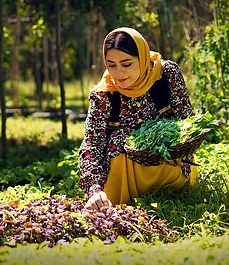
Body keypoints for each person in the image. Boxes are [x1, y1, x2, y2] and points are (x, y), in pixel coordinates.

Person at [78, 27, 198, 210]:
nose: (119, 73)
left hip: (170, 168)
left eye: (126, 64)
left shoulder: (165, 75)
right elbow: (92, 145)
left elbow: (186, 122)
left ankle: (177, 194)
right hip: (124, 182)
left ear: (142, 58)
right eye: (111, 65)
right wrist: (94, 189)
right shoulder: (104, 94)